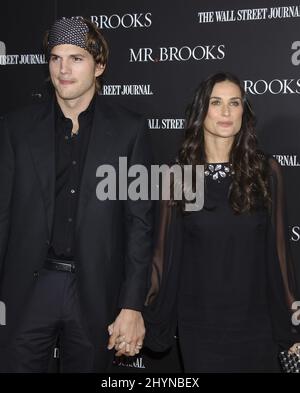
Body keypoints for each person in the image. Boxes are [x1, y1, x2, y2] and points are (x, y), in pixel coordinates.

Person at [0, 17, 153, 373]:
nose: (63, 69)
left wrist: (132, 306)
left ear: (100, 65)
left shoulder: (131, 131)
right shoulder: (15, 128)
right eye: (55, 58)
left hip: (96, 292)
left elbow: (140, 224)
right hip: (27, 288)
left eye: (76, 58)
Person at [144, 72, 300, 372]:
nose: (226, 112)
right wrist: (134, 309)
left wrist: (293, 327)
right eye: (216, 102)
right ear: (202, 111)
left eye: (235, 102)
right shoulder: (177, 177)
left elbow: (280, 259)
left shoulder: (267, 172)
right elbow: (160, 261)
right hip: (201, 330)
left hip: (257, 326)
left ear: (245, 111)